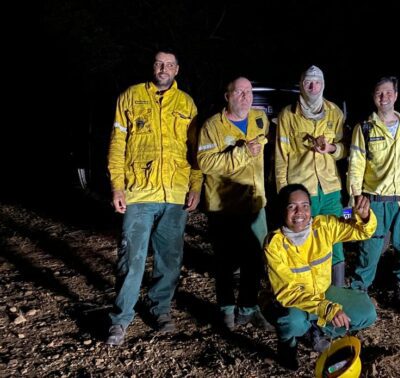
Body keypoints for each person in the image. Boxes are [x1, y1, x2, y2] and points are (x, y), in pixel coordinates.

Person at [105, 49, 202, 346]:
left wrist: (196, 185)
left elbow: (196, 149)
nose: (164, 68)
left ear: (177, 69)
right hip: (139, 192)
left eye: (169, 64)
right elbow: (117, 143)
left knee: (170, 259)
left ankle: (160, 309)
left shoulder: (186, 103)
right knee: (131, 258)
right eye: (159, 63)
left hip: (175, 193)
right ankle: (121, 319)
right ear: (153, 67)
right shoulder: (131, 97)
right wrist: (117, 186)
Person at [265, 184, 377, 370]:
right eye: (292, 206)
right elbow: (288, 292)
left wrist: (362, 216)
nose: (300, 212)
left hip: (323, 292)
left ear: (311, 208)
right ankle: (287, 345)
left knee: (367, 313)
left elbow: (359, 229)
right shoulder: (274, 244)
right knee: (292, 322)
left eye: (305, 206)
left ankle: (317, 330)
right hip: (294, 301)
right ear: (282, 210)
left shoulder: (323, 226)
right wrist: (328, 309)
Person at [347, 76, 400, 318]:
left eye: (388, 92)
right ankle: (359, 293)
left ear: (396, 95)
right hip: (374, 201)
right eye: (379, 93)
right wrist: (355, 197)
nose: (384, 97)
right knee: (369, 248)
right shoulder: (364, 128)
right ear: (373, 96)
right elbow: (356, 164)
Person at [197, 77, 273, 332]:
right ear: (227, 96)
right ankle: (226, 309)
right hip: (224, 207)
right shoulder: (212, 126)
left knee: (255, 259)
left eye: (248, 91)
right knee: (225, 262)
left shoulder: (260, 119)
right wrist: (242, 153)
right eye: (239, 92)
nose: (245, 96)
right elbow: (205, 163)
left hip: (254, 203)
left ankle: (249, 308)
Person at [275, 66, 348, 286]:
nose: (313, 86)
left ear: (323, 85)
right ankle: (307, 289)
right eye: (308, 82)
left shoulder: (335, 112)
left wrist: (331, 148)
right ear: (301, 85)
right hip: (303, 191)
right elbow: (281, 156)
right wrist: (283, 192)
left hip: (330, 188)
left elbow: (345, 149)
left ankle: (337, 289)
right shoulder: (288, 115)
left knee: (335, 237)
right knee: (304, 240)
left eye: (317, 82)